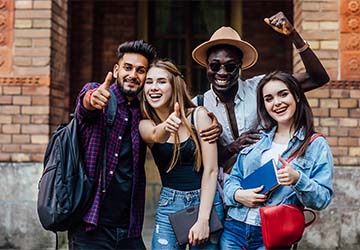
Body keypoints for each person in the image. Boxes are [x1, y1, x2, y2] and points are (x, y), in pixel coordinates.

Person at [191, 11, 330, 174]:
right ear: (206, 66)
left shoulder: (261, 87)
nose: (222, 72)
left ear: (240, 66)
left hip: (267, 184)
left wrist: (294, 35)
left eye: (230, 66)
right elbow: (196, 164)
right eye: (214, 66)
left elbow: (318, 78)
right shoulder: (198, 106)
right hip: (223, 190)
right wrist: (231, 148)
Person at [220, 71, 334, 249]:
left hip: (273, 234)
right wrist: (238, 194)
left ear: (296, 96)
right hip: (234, 229)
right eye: (269, 98)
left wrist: (298, 179)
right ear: (264, 105)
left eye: (283, 94)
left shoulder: (315, 145)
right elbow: (233, 179)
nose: (277, 103)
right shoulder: (257, 139)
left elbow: (322, 200)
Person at [68, 40, 156, 250]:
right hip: (91, 226)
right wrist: (91, 99)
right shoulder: (99, 94)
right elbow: (85, 105)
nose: (133, 75)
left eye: (140, 70)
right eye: (128, 68)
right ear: (116, 70)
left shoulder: (142, 111)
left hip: (129, 229)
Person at [139, 59, 224, 249]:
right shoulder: (145, 123)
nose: (154, 87)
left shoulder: (199, 116)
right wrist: (167, 126)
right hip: (170, 204)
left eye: (161, 81)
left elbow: (210, 170)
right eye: (149, 82)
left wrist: (203, 219)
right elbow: (154, 134)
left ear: (173, 85)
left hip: (207, 202)